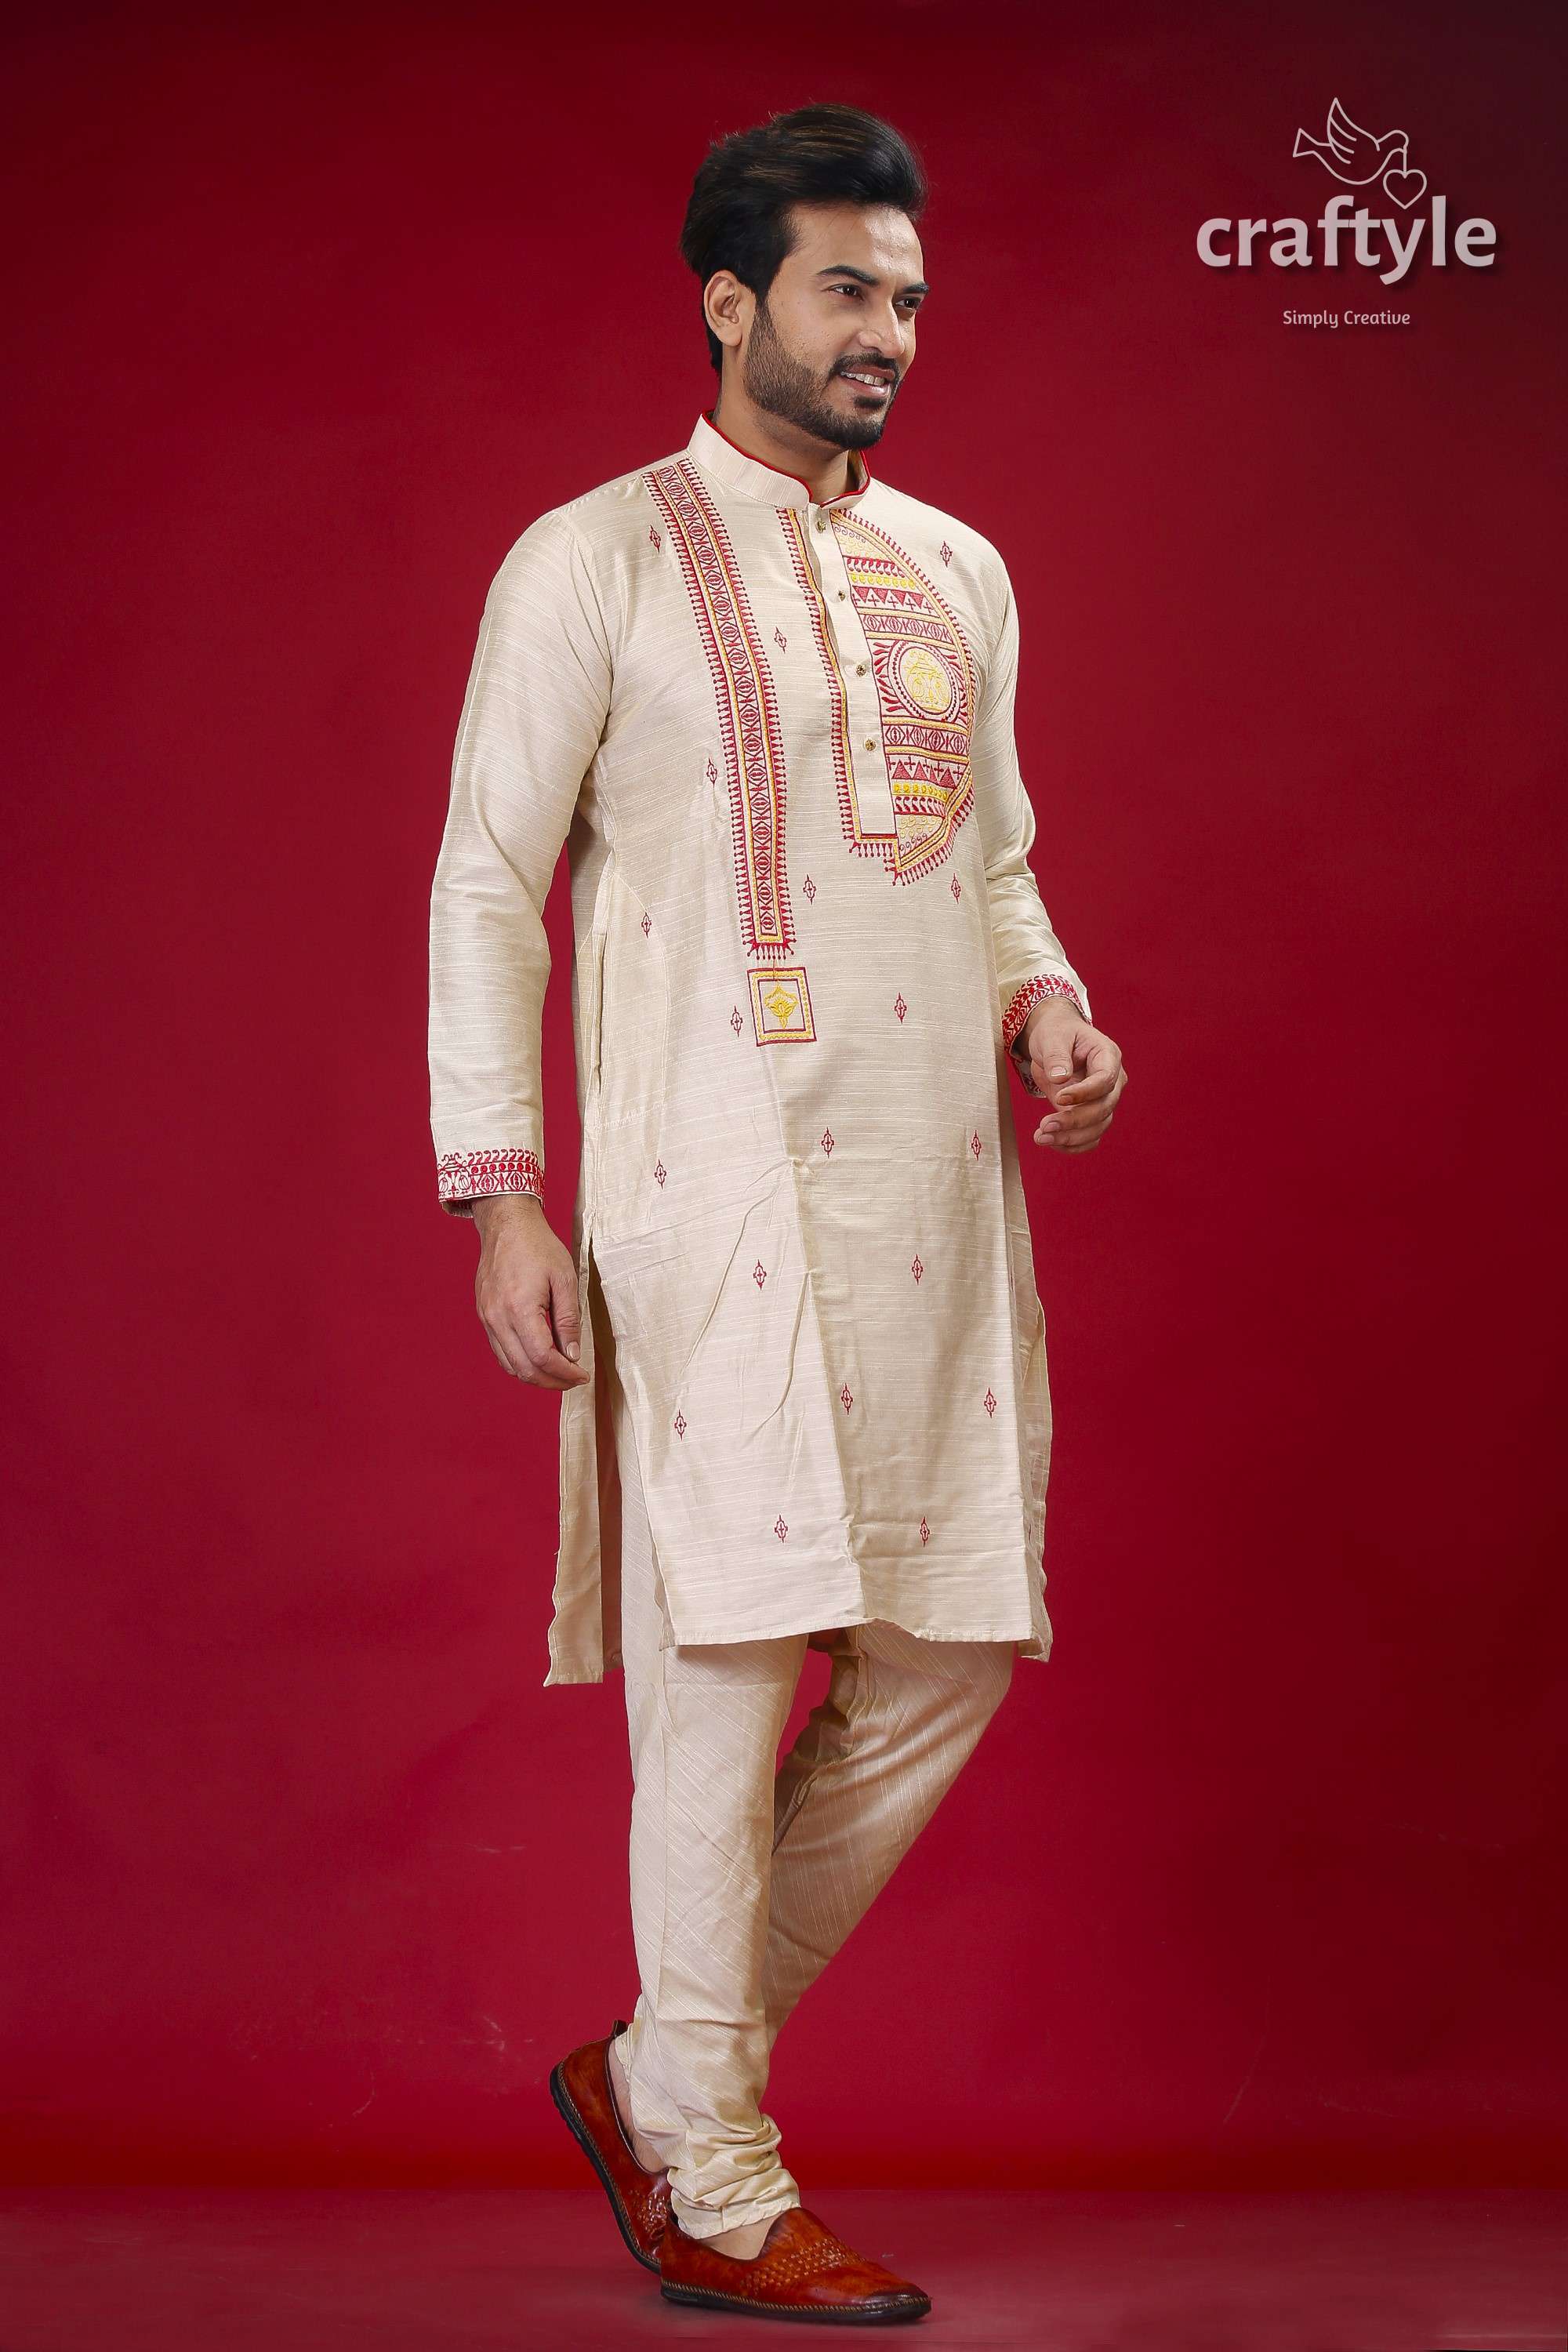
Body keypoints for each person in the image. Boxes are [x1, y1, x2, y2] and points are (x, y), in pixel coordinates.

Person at [427, 101, 1128, 2325]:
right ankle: (713, 2170)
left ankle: (656, 2069)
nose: (889, 336)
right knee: (724, 1677)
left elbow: (994, 852)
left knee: (946, 1644)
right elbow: (484, 878)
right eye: (847, 290)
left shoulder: (963, 569)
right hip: (698, 1195)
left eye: (908, 298)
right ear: (730, 301)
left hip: (930, 1196)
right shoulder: (595, 562)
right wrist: (498, 1190)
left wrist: (1048, 1000)